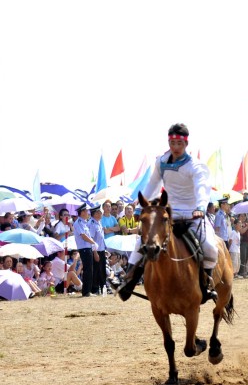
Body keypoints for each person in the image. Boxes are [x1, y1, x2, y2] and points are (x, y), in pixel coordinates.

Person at [120, 123, 218, 303]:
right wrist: (139, 204)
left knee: (210, 247)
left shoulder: (196, 166)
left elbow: (201, 189)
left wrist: (201, 208)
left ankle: (206, 286)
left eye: (179, 144)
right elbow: (153, 185)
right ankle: (127, 282)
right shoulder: (162, 162)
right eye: (173, 143)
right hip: (170, 214)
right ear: (169, 142)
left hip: (192, 214)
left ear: (186, 144)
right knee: (144, 242)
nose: (176, 148)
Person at [73, 203, 98, 297]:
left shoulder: (84, 222)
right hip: (84, 248)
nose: (87, 213)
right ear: (82, 212)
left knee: (89, 269)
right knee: (88, 270)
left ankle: (87, 290)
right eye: (86, 211)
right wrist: (93, 242)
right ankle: (86, 291)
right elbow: (83, 236)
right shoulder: (78, 222)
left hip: (87, 248)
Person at [89, 204, 107, 294]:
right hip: (95, 251)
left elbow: (101, 238)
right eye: (99, 212)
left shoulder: (98, 222)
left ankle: (103, 288)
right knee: (96, 270)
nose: (101, 214)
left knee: (102, 270)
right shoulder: (91, 224)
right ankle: (95, 289)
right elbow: (91, 239)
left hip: (101, 249)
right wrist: (95, 252)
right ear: (95, 214)